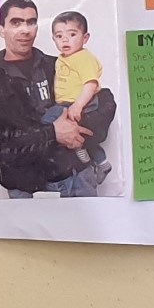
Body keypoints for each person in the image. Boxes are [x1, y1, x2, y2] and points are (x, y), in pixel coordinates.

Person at [0, 0, 113, 198]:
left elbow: (105, 101)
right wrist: (52, 134)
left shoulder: (60, 64)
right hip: (25, 188)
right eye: (16, 23)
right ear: (1, 29)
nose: (25, 30)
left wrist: (75, 127)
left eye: (31, 22)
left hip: (78, 179)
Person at [48, 10, 111, 183]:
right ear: (53, 39)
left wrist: (78, 106)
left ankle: (87, 158)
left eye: (72, 34)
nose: (65, 40)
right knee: (77, 135)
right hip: (67, 103)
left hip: (80, 103)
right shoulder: (63, 58)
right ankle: (101, 162)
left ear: (85, 38)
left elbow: (90, 84)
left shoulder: (83, 58)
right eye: (59, 36)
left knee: (48, 121)